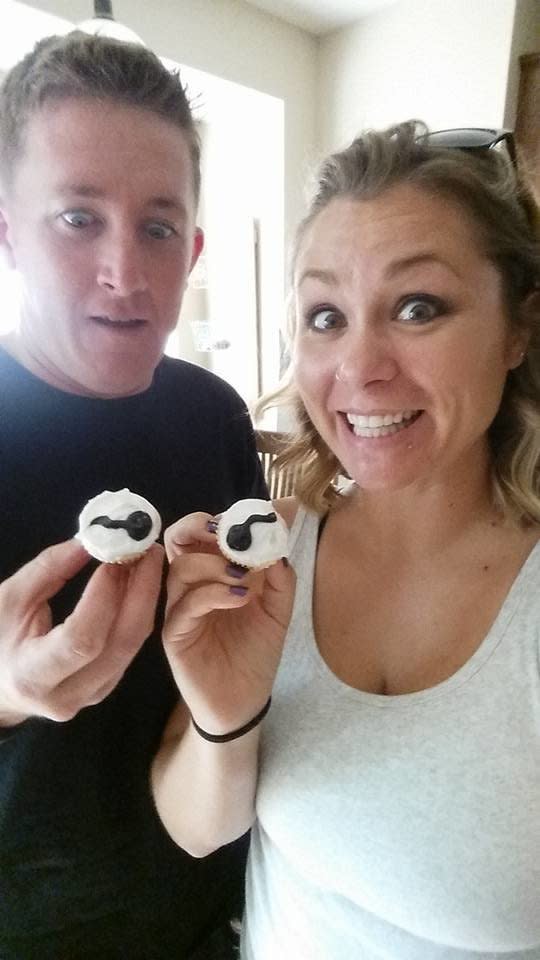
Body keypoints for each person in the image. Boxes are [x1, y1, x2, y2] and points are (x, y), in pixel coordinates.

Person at [153, 121, 540, 958]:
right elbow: (197, 832)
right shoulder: (267, 557)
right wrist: (226, 717)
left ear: (520, 330)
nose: (359, 368)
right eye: (325, 315)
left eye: (417, 307)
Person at [0, 31, 266, 960]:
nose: (127, 272)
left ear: (191, 248)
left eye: (158, 227)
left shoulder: (216, 416)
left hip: (217, 914)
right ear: (6, 232)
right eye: (78, 219)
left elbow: (239, 653)